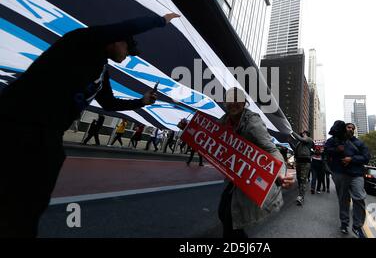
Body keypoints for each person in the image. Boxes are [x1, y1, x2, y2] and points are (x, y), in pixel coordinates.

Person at [0, 12, 180, 237]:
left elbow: (109, 103)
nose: (127, 56)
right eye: (128, 49)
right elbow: (127, 23)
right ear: (118, 39)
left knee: (28, 207)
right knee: (12, 202)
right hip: (17, 121)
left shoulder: (102, 71)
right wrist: (160, 20)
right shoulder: (84, 40)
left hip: (49, 135)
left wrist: (142, 101)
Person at [217, 87, 295, 238]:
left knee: (230, 218)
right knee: (225, 214)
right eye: (230, 100)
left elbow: (272, 150)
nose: (233, 103)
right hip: (232, 174)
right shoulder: (223, 120)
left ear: (244, 102)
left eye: (237, 100)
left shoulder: (253, 123)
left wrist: (278, 173)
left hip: (249, 174)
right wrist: (187, 128)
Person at [325, 121, 371, 238]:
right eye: (348, 127)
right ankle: (344, 224)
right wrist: (337, 151)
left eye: (352, 128)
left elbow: (366, 158)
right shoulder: (334, 140)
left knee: (359, 198)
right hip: (340, 175)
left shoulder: (359, 143)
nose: (350, 129)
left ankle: (357, 226)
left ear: (354, 130)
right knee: (343, 200)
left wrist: (352, 159)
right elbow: (326, 151)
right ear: (344, 129)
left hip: (356, 175)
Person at [289, 130, 313, 206]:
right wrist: (289, 142)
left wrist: (291, 132)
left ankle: (301, 196)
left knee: (303, 179)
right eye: (302, 133)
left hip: (305, 162)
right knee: (299, 178)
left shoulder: (309, 139)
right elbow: (295, 149)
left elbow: (301, 139)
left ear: (307, 134)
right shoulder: (299, 143)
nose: (303, 134)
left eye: (304, 133)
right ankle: (300, 193)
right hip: (299, 162)